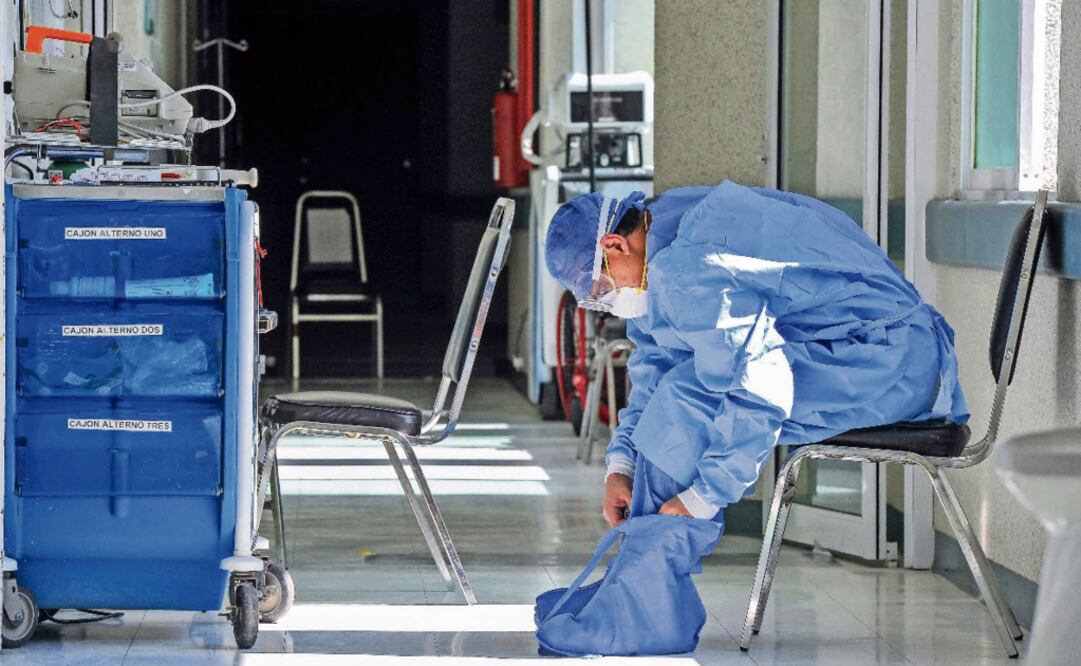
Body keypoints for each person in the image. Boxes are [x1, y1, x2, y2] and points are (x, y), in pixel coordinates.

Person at [544, 181, 968, 526]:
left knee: (694, 399)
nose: (609, 300)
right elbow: (656, 365)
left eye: (600, 290)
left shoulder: (683, 268)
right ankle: (646, 564)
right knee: (682, 388)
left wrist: (705, 496)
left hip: (889, 364)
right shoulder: (666, 228)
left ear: (615, 245)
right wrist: (623, 464)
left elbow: (756, 385)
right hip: (883, 350)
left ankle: (648, 570)